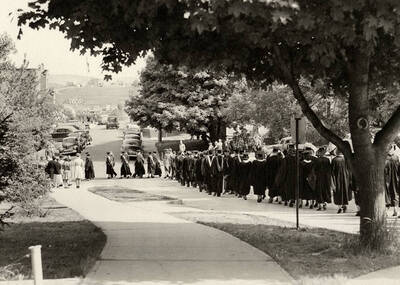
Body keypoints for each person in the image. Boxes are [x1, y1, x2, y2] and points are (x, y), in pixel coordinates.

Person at [331, 148, 352, 213]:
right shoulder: (346, 159)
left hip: (337, 179)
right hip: (346, 179)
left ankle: (340, 207)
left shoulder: (334, 160)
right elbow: (350, 170)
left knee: (338, 193)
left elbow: (332, 172)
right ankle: (345, 205)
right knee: (345, 192)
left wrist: (332, 183)